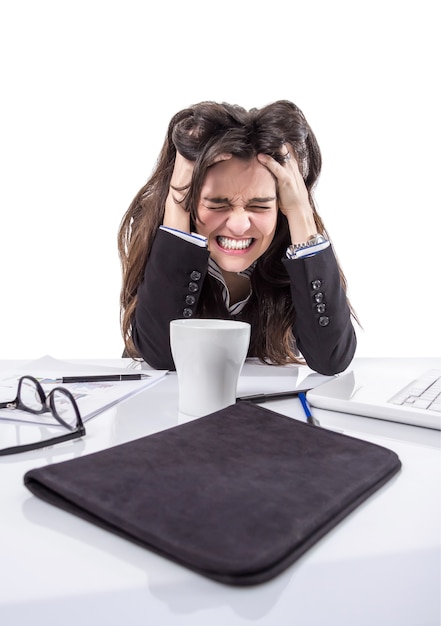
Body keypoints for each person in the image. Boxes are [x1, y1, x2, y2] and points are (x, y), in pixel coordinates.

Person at [118, 99, 357, 375]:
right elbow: (161, 354)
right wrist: (176, 203)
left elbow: (332, 358)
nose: (240, 225)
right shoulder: (163, 240)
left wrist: (301, 211)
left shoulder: (288, 249)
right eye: (217, 205)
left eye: (259, 206)